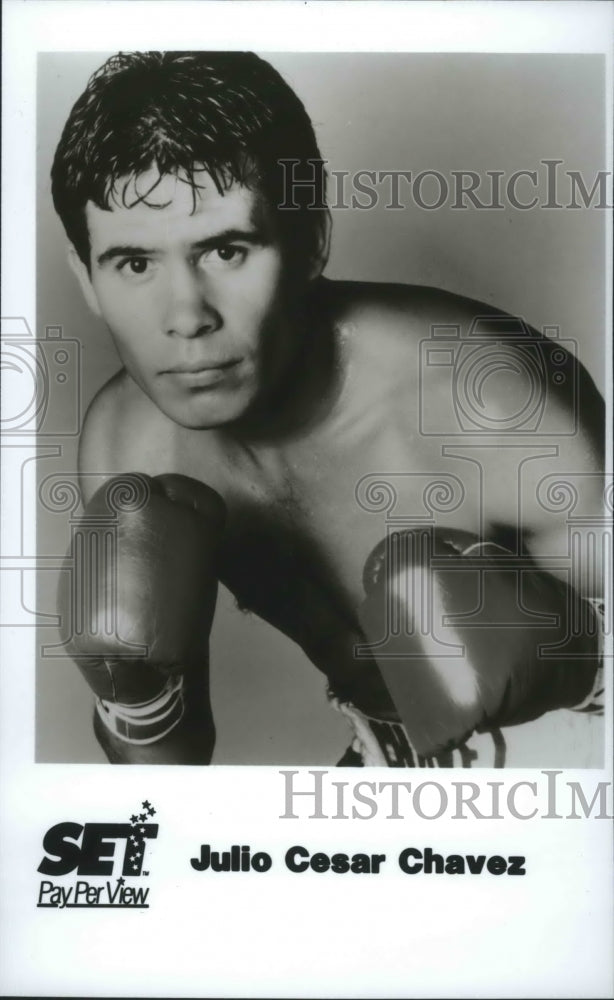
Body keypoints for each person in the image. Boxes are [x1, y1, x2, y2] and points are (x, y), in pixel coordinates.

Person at [51, 51, 605, 767]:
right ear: (88, 280)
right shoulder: (126, 444)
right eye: (134, 264)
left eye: (225, 250)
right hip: (387, 759)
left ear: (310, 238)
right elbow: (168, 779)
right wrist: (138, 704)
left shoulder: (481, 394)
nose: (185, 317)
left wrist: (569, 660)